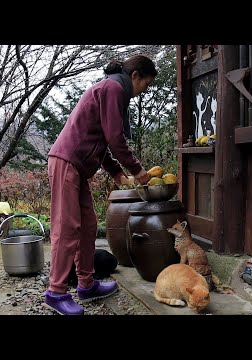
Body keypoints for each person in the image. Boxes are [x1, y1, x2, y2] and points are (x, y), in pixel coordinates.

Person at [44, 54, 158, 315]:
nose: (143, 91)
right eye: (146, 84)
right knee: (66, 227)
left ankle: (86, 284)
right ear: (135, 76)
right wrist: (137, 170)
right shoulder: (113, 88)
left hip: (78, 167)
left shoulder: (112, 89)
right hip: (66, 162)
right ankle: (56, 291)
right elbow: (115, 139)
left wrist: (117, 173)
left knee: (87, 226)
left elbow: (103, 142)